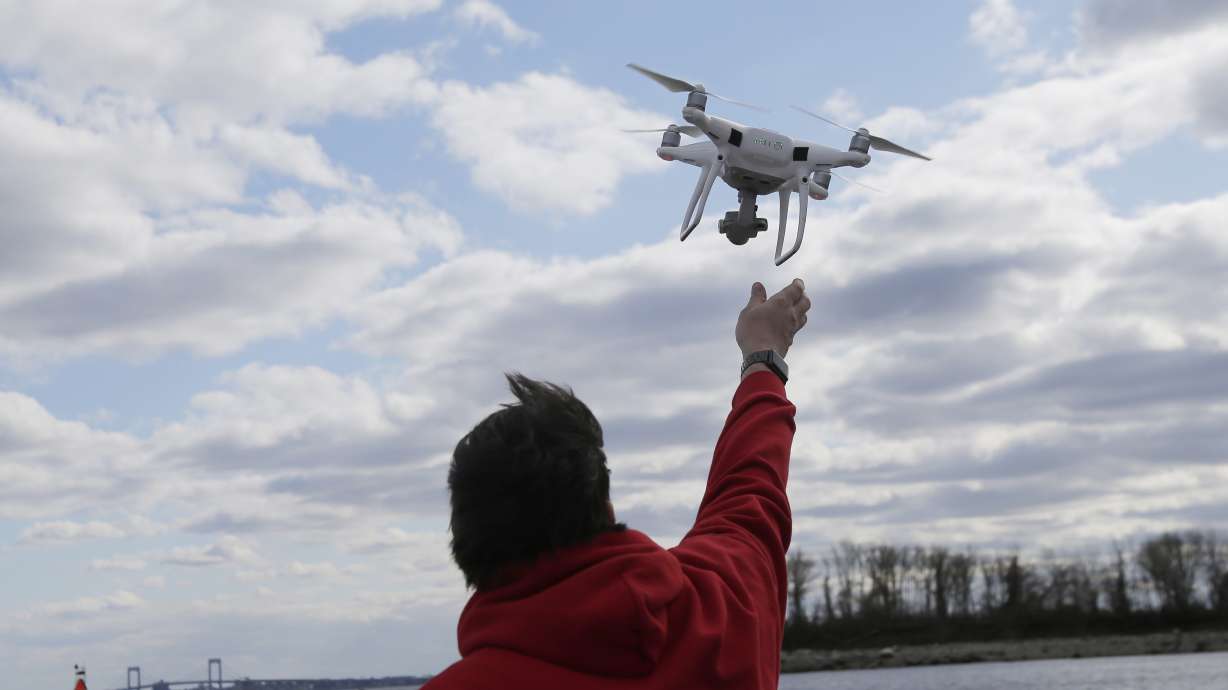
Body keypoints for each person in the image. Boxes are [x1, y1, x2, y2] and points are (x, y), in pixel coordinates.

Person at [424, 279, 810, 690]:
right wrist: (762, 360)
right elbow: (749, 494)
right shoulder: (720, 618)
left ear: (465, 548)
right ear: (604, 510)